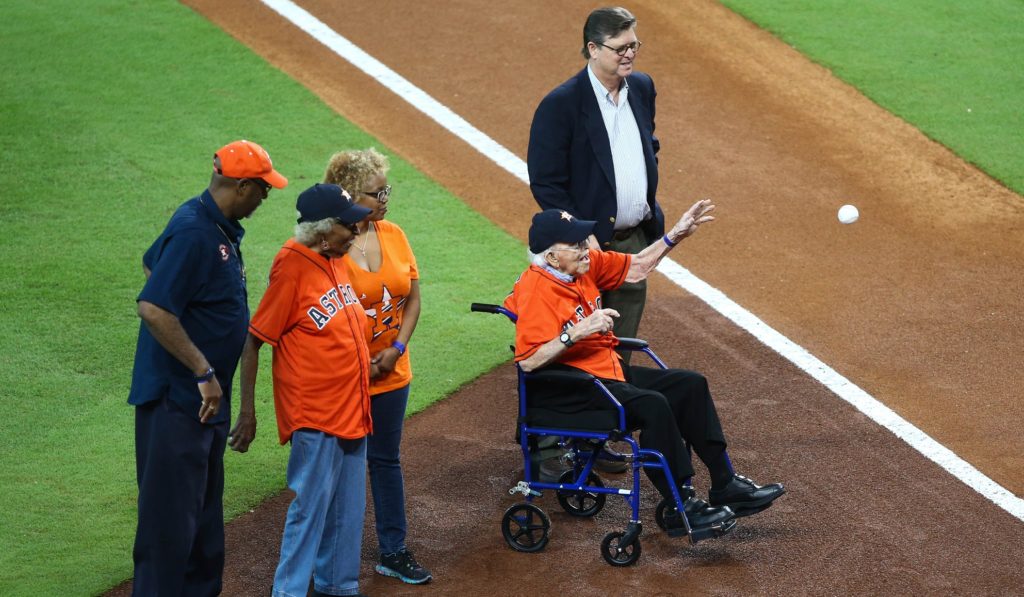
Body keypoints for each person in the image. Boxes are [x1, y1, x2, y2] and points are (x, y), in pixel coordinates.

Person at [502, 203, 786, 537]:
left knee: (689, 385)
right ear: (551, 258)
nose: (586, 248)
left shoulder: (582, 267)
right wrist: (575, 332)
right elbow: (528, 360)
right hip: (571, 390)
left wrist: (674, 236)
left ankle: (726, 484)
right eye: (577, 244)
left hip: (605, 375)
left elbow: (635, 268)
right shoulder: (537, 291)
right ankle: (682, 505)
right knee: (653, 405)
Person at [128, 139, 287, 596]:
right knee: (169, 533)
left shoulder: (212, 226)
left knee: (202, 532)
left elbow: (150, 264)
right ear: (240, 186)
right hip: (178, 405)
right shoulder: (195, 231)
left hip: (201, 409)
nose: (265, 197)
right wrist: (202, 371)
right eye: (262, 189)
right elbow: (154, 306)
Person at [232, 183, 374, 597]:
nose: (356, 231)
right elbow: (254, 339)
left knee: (348, 513)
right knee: (310, 511)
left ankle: (337, 587)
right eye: (349, 225)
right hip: (315, 413)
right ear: (325, 230)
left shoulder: (336, 258)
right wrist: (248, 412)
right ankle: (288, 592)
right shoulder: (291, 266)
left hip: (353, 409)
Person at [324, 148, 432, 585]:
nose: (386, 197)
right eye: (376, 191)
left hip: (391, 373)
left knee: (385, 461)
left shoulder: (395, 233)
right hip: (346, 379)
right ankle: (328, 557)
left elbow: (414, 299)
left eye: (386, 189)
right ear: (349, 194)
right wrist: (358, 362)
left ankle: (394, 550)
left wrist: (397, 349)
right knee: (336, 468)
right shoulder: (331, 244)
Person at [527, 6, 663, 347]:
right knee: (584, 345)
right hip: (585, 248)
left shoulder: (642, 88)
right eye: (620, 48)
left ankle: (619, 395)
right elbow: (546, 180)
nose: (630, 54)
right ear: (593, 48)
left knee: (623, 345)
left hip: (632, 242)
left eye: (634, 45)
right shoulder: (562, 104)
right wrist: (580, 230)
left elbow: (649, 145)